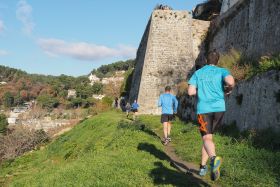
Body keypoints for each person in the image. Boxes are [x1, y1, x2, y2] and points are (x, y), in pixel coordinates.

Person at [188, 50, 235, 181]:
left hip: (204, 109)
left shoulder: (198, 73)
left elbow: (190, 91)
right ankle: (203, 167)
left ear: (206, 60)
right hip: (219, 109)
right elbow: (230, 82)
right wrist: (229, 90)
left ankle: (214, 159)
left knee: (206, 138)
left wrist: (200, 91)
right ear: (217, 60)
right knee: (208, 138)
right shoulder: (222, 71)